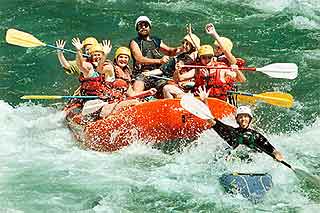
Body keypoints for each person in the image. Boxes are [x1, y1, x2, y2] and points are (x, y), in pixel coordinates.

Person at [197, 87, 284, 161]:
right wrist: (205, 101)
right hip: (235, 162)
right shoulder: (230, 132)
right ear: (237, 119)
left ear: (250, 119)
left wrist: (277, 155)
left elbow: (272, 150)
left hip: (253, 162)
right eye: (241, 117)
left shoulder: (256, 136)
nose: (243, 119)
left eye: (246, 117)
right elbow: (211, 120)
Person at [129, 15, 183, 93]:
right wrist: (159, 61)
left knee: (170, 87)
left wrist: (181, 48)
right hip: (142, 74)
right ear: (137, 28)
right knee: (137, 89)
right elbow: (139, 59)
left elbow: (169, 51)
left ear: (149, 27)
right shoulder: (134, 42)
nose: (143, 27)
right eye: (141, 25)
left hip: (158, 73)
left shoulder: (156, 40)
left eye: (146, 25)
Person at [162, 33, 200, 99]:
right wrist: (177, 70)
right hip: (182, 85)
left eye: (187, 44)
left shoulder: (198, 57)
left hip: (194, 89)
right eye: (183, 43)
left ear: (193, 46)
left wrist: (191, 37)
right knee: (166, 88)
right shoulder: (179, 58)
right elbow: (177, 79)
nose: (184, 45)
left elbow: (199, 51)